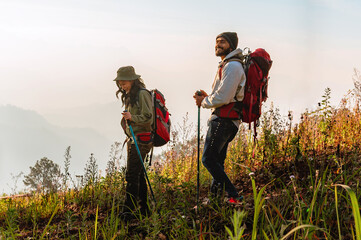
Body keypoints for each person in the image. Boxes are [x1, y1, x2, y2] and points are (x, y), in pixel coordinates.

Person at [193, 32, 246, 203]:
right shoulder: (227, 65)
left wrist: (204, 102)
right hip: (227, 119)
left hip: (223, 120)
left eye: (222, 42)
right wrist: (207, 98)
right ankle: (215, 201)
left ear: (231, 45)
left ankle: (233, 195)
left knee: (208, 159)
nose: (218, 45)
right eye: (216, 42)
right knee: (217, 161)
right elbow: (224, 95)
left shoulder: (232, 67)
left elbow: (223, 98)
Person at [114, 66, 153, 219]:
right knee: (138, 174)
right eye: (120, 84)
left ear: (132, 80)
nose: (122, 86)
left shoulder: (142, 94)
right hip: (134, 139)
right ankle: (144, 209)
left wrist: (132, 118)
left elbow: (148, 117)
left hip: (142, 139)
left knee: (131, 175)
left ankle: (129, 211)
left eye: (124, 83)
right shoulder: (131, 95)